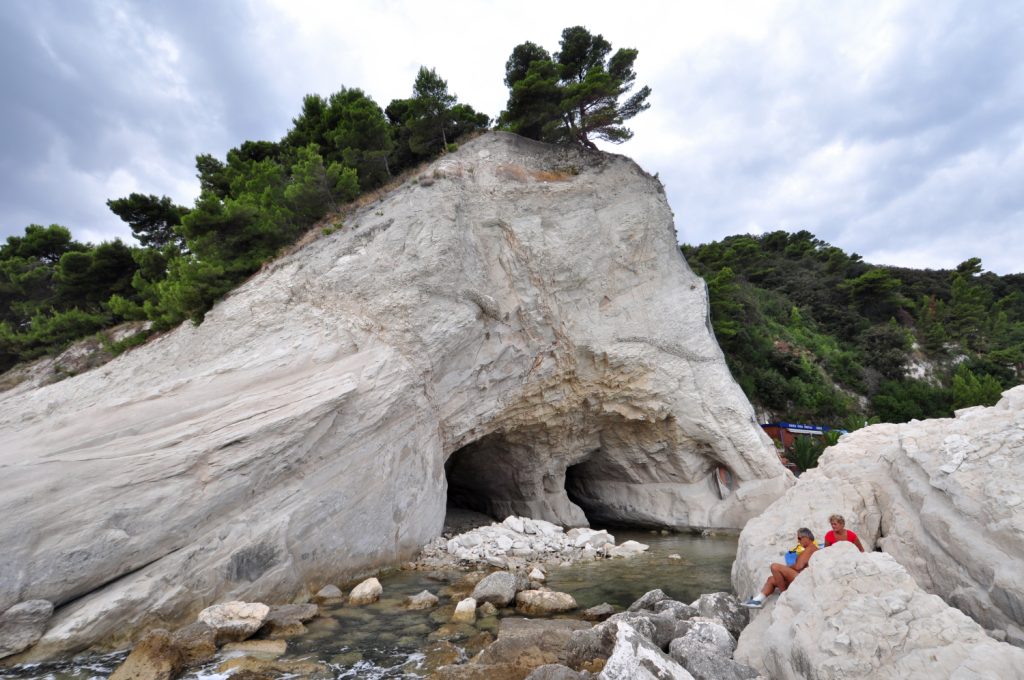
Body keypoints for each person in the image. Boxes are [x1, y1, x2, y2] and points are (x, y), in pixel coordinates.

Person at [741, 527, 818, 608]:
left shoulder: (810, 549)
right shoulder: (808, 549)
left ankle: (783, 595)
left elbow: (799, 566)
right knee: (771, 579)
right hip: (798, 576)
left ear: (806, 538)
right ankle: (758, 600)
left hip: (802, 578)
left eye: (799, 538)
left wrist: (788, 567)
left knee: (774, 566)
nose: (798, 541)